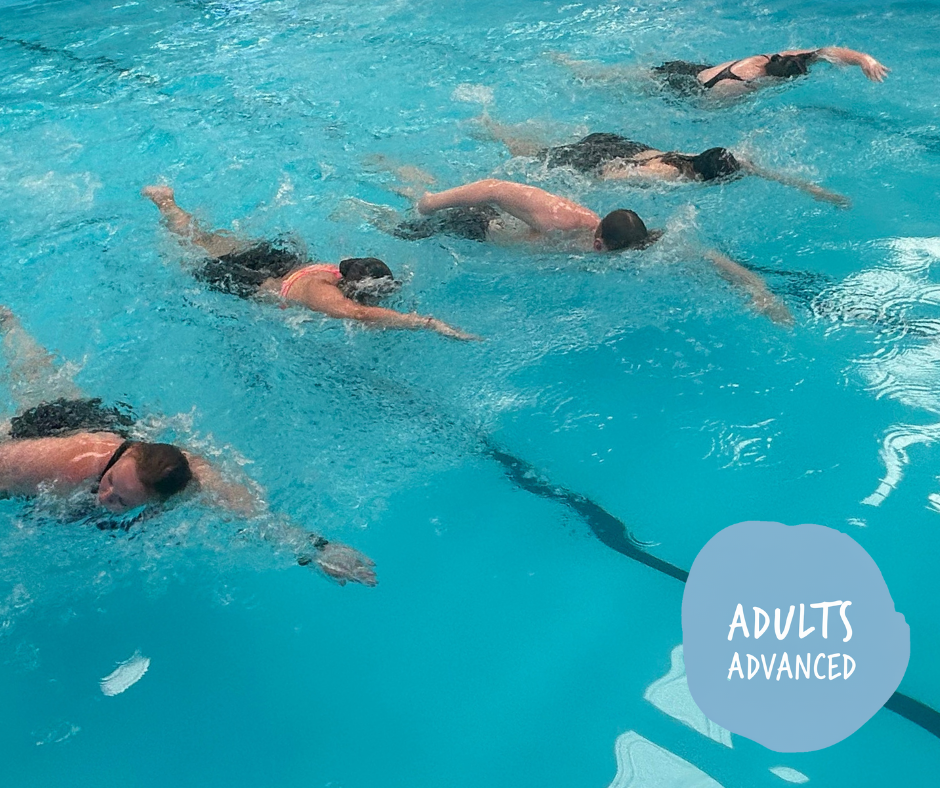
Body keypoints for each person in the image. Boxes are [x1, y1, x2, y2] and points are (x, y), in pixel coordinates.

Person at [0, 307, 377, 586]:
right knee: (37, 392)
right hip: (59, 438)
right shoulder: (73, 463)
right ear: (130, 453)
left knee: (44, 382)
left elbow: (257, 516)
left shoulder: (188, 479)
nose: (104, 497)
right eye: (112, 483)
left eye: (120, 501)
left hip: (102, 438)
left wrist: (318, 550)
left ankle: (10, 328)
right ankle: (9, 325)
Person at [348, 168, 792, 325]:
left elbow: (707, 257)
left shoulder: (636, 244)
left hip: (499, 243)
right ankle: (383, 189)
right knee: (395, 224)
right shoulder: (560, 219)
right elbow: (495, 187)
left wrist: (758, 292)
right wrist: (432, 205)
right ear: (597, 238)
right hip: (474, 226)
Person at [142, 186, 477, 341]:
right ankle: (166, 204)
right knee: (191, 254)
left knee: (209, 240)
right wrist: (428, 323)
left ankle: (173, 205)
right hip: (254, 280)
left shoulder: (337, 269)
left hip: (281, 259)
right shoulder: (324, 294)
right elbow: (360, 314)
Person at [474, 115, 850, 206]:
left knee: (542, 148)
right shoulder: (670, 176)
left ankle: (498, 128)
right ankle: (491, 128)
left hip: (619, 143)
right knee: (533, 156)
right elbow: (611, 177)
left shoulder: (710, 159)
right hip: (607, 159)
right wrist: (585, 186)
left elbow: (758, 168)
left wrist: (814, 190)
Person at [552, 46, 888, 99]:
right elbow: (706, 109)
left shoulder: (776, 57)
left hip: (692, 69)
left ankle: (573, 65)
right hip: (689, 88)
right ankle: (578, 72)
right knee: (626, 87)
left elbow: (827, 53)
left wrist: (864, 60)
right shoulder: (741, 86)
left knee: (628, 74)